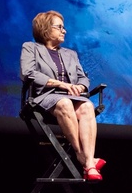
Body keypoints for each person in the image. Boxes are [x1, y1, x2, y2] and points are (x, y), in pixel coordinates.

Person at [20, 10, 106, 181]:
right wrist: (61, 84)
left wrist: (80, 86)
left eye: (63, 27)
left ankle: (88, 162)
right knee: (65, 103)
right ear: (45, 29)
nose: (64, 30)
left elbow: (83, 77)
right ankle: (83, 157)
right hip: (46, 96)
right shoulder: (30, 48)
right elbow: (28, 73)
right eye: (59, 27)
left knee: (88, 106)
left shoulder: (70, 54)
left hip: (72, 96)